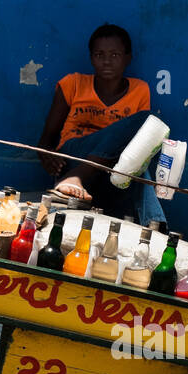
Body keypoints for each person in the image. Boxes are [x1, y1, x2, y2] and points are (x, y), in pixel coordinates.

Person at [36, 23, 167, 227]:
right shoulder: (73, 84)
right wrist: (47, 156)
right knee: (143, 125)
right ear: (91, 58)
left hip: (112, 171)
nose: (107, 61)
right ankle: (155, 225)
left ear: (127, 58)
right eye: (99, 55)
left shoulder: (140, 89)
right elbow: (45, 140)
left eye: (115, 55)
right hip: (74, 157)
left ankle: (155, 228)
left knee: (144, 133)